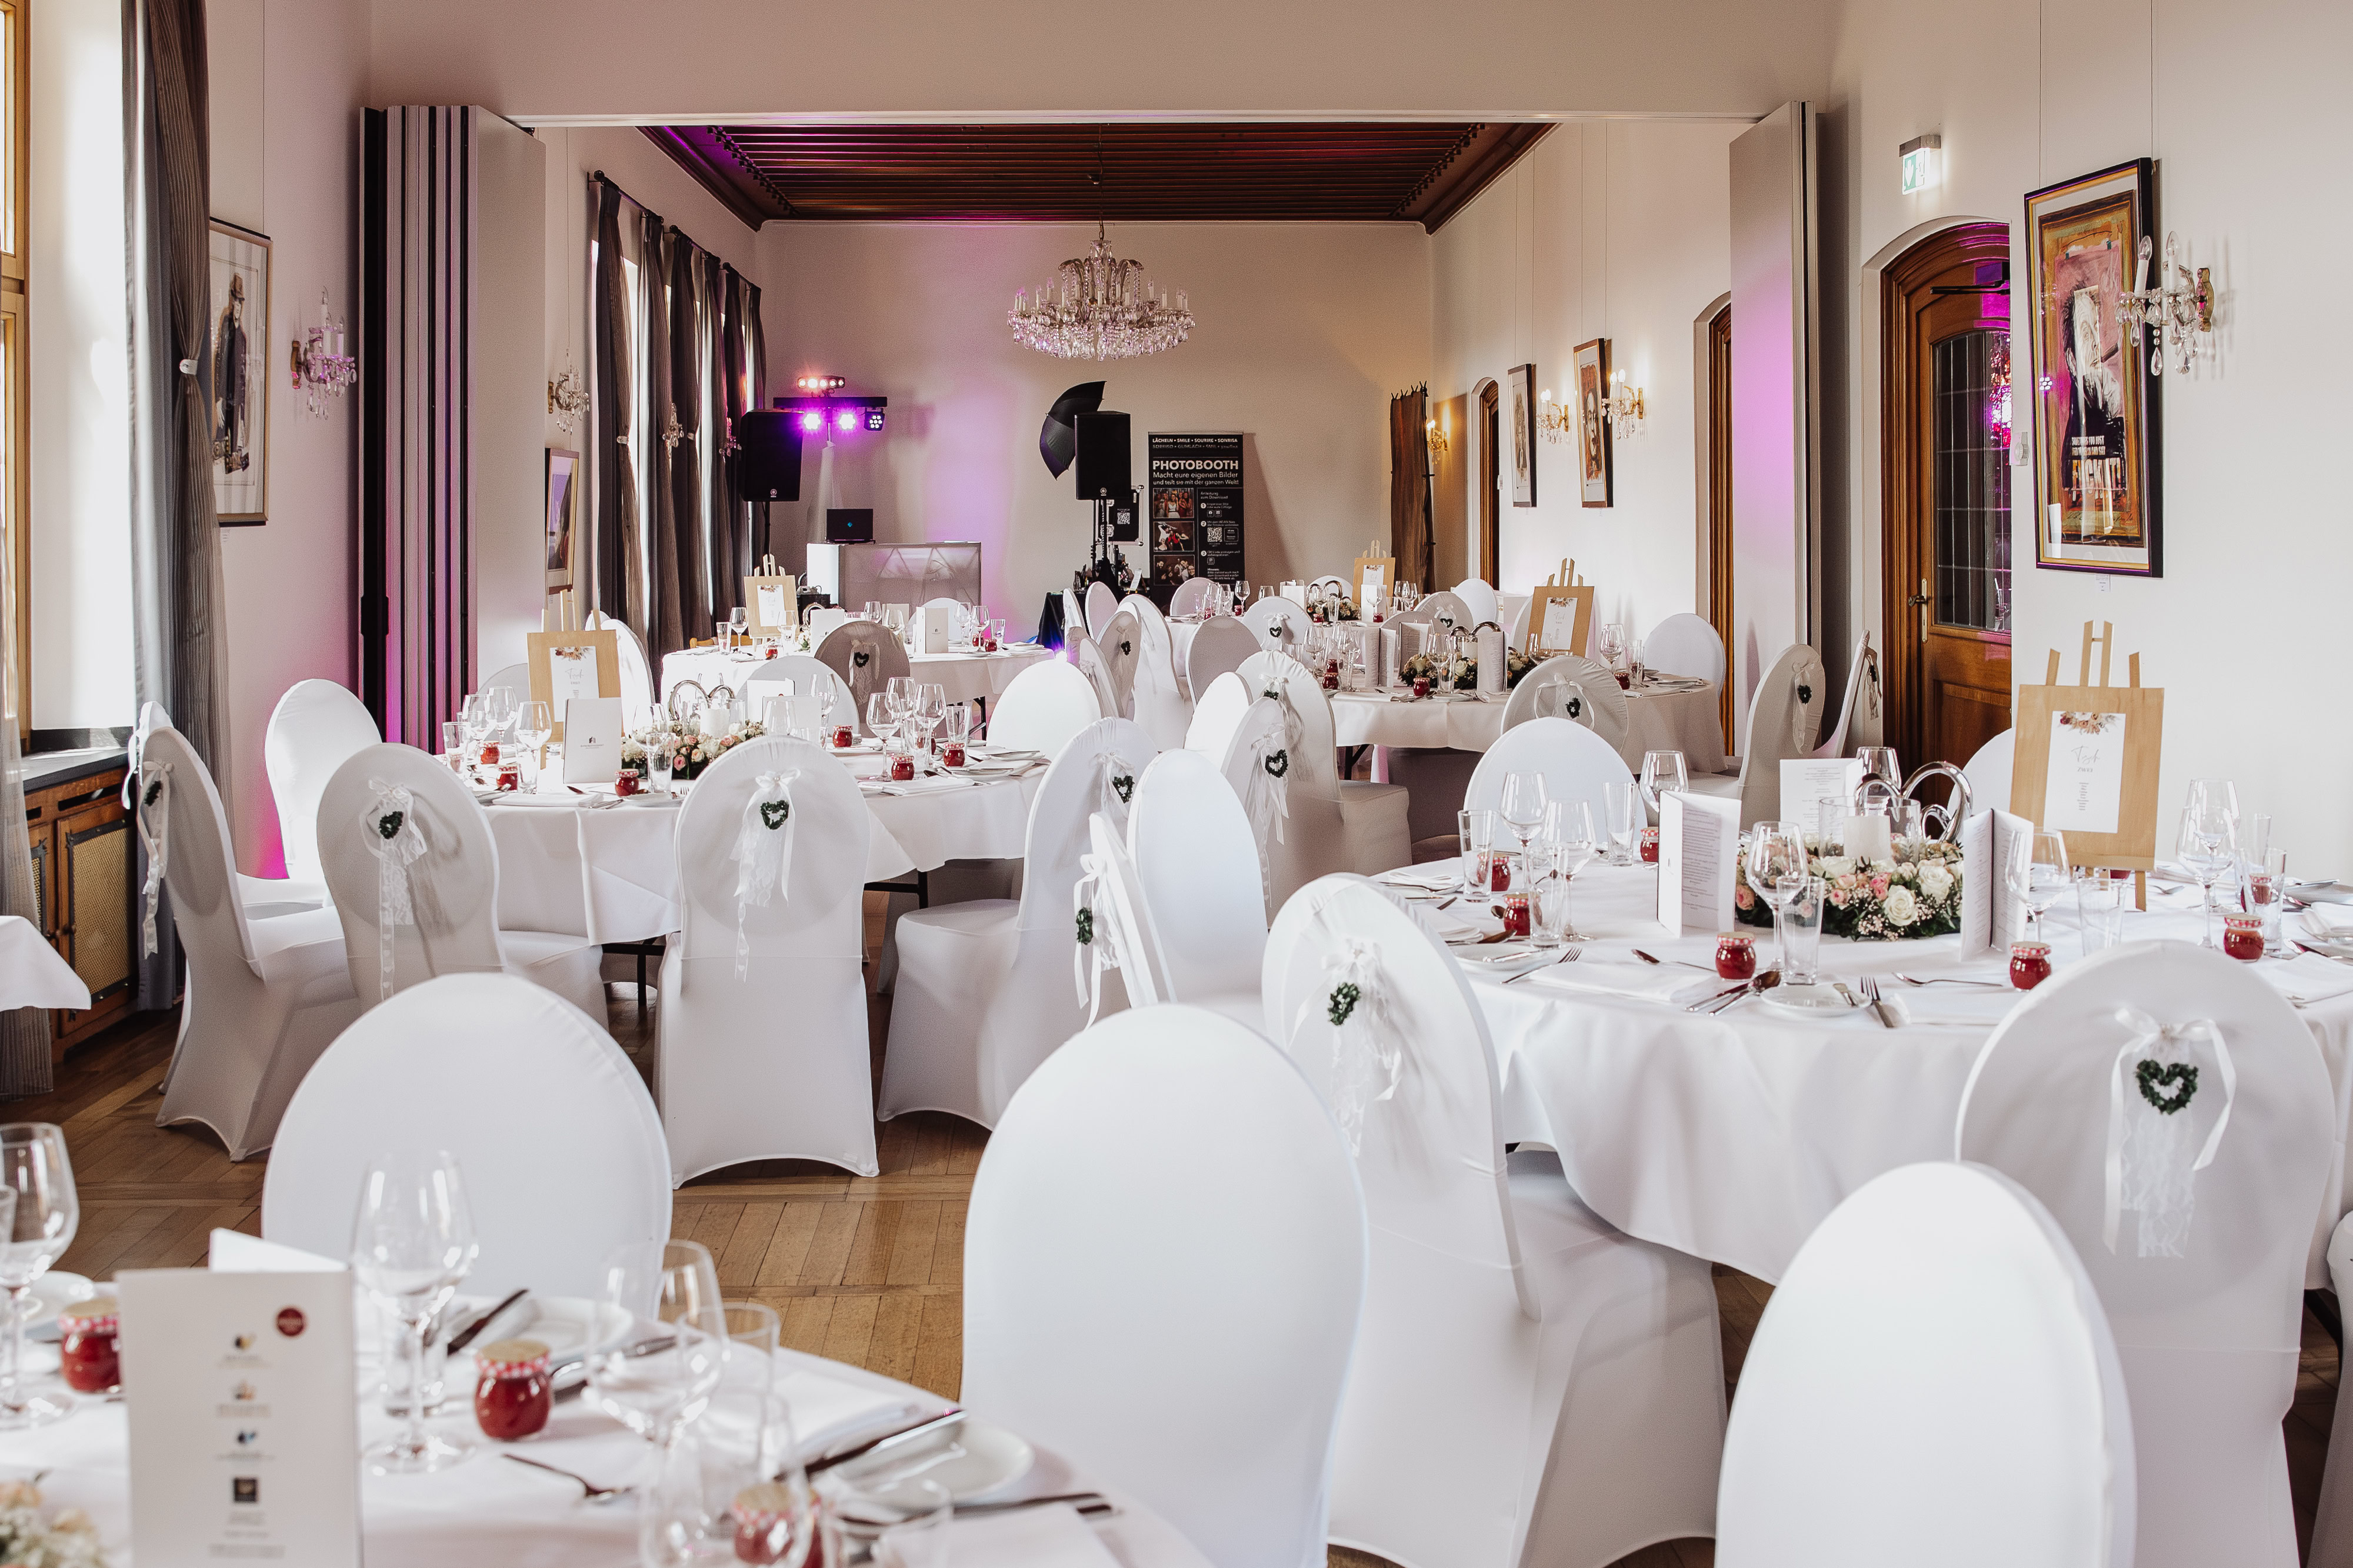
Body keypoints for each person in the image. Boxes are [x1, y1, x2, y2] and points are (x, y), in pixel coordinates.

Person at [214, 273, 251, 474]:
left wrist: (243, 413)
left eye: (240, 303)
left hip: (237, 399)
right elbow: (219, 360)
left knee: (235, 443)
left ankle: (234, 466)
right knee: (222, 438)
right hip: (225, 394)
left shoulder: (242, 337)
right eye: (235, 302)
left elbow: (243, 377)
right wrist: (218, 398)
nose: (238, 306)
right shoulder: (226, 326)